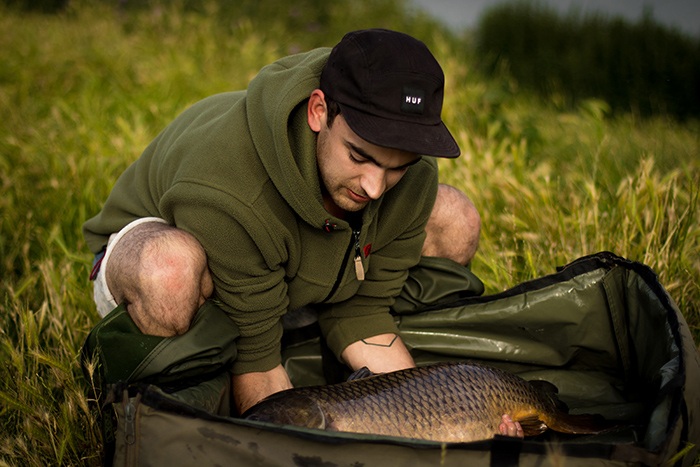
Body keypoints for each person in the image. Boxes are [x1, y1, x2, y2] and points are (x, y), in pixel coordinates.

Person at [83, 29, 522, 438]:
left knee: (453, 216)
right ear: (318, 111)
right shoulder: (230, 192)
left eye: (396, 167)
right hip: (163, 252)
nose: (375, 187)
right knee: (168, 272)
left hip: (287, 268)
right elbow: (256, 363)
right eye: (359, 156)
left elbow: (364, 312)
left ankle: (297, 331)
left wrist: (430, 418)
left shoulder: (406, 172)